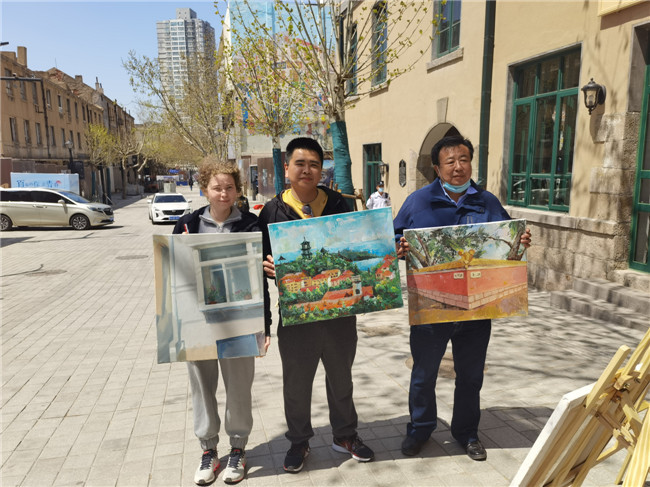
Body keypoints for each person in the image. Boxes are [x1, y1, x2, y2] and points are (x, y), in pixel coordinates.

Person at [393, 134, 531, 462]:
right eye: (450, 161)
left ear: (471, 163)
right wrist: (399, 247)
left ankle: (466, 432)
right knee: (423, 374)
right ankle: (420, 429)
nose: (458, 167)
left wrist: (521, 240)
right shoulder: (418, 202)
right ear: (437, 168)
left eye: (464, 159)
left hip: (477, 311)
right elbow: (394, 235)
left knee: (470, 376)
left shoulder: (487, 202)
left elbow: (508, 238)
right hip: (431, 307)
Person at [258, 137, 374, 473]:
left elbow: (355, 245)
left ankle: (345, 435)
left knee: (341, 378)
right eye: (300, 163)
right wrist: (266, 269)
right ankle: (299, 441)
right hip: (297, 315)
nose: (307, 170)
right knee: (296, 384)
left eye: (314, 164)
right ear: (287, 168)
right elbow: (260, 263)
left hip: (340, 312)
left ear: (321, 169)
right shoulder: (271, 211)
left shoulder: (337, 203)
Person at [173, 156, 271, 485]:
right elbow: (175, 277)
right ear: (204, 189)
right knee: (202, 388)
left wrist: (265, 325)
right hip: (198, 323)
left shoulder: (251, 225)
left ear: (237, 190)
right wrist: (176, 325)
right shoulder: (187, 225)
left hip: (241, 322)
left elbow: (260, 280)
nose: (224, 194)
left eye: (229, 187)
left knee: (239, 388)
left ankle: (238, 448)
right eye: (217, 188)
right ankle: (209, 451)